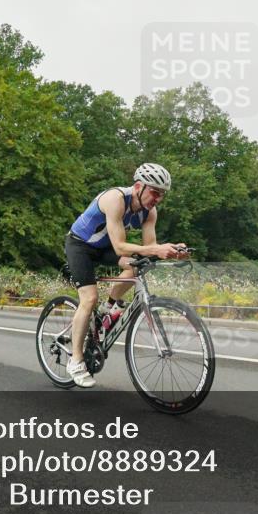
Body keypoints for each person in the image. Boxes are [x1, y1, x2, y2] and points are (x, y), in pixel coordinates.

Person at [63, 163, 187, 388]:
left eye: (162, 194)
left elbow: (148, 250)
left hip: (105, 247)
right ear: (138, 186)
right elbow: (120, 247)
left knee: (138, 265)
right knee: (89, 298)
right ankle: (76, 360)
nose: (158, 198)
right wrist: (156, 249)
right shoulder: (115, 199)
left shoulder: (150, 212)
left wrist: (171, 252)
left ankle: (107, 309)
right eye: (155, 192)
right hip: (80, 245)